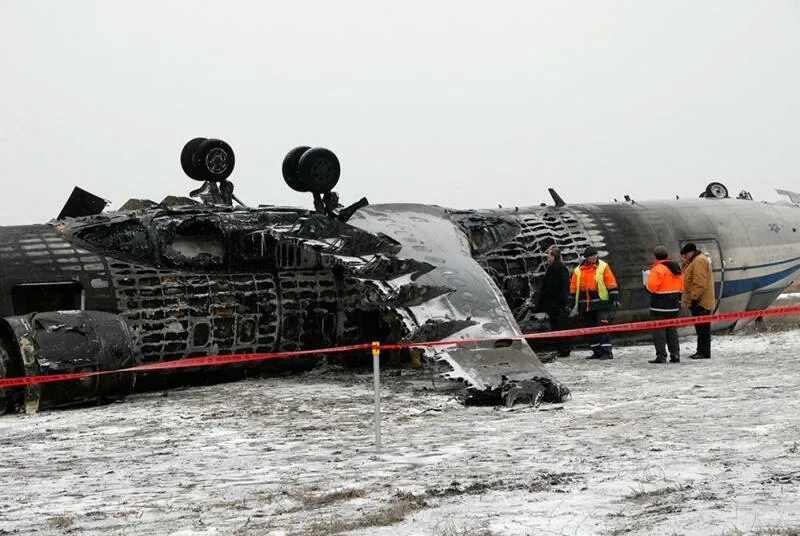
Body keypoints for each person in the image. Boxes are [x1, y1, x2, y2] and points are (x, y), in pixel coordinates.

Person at [570, 245, 620, 359]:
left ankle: (607, 352)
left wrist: (615, 298)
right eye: (591, 256)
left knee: (602, 327)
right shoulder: (578, 270)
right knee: (590, 329)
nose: (594, 257)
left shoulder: (603, 267)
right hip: (585, 305)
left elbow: (611, 283)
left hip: (600, 304)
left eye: (595, 255)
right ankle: (597, 351)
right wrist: (571, 304)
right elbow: (573, 288)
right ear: (586, 257)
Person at [645, 245, 683, 363]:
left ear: (655, 256)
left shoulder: (657, 269)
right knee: (672, 330)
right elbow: (682, 286)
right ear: (667, 255)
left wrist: (645, 284)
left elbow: (651, 287)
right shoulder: (677, 268)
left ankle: (661, 356)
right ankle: (675, 354)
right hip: (674, 304)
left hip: (659, 306)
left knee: (659, 331)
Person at [680, 242, 715, 359]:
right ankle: (701, 351)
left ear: (691, 252)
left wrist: (694, 298)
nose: (684, 257)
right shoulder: (694, 261)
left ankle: (703, 352)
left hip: (701, 302)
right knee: (701, 328)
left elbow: (699, 283)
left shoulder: (699, 261)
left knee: (703, 329)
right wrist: (685, 263)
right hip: (699, 300)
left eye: (685, 255)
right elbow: (686, 275)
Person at [537, 246, 571, 357]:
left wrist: (544, 300)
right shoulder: (561, 267)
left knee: (558, 327)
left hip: (556, 304)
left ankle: (563, 349)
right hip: (559, 303)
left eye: (548, 255)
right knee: (561, 326)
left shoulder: (554, 268)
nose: (547, 257)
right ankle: (564, 349)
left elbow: (552, 287)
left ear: (553, 256)